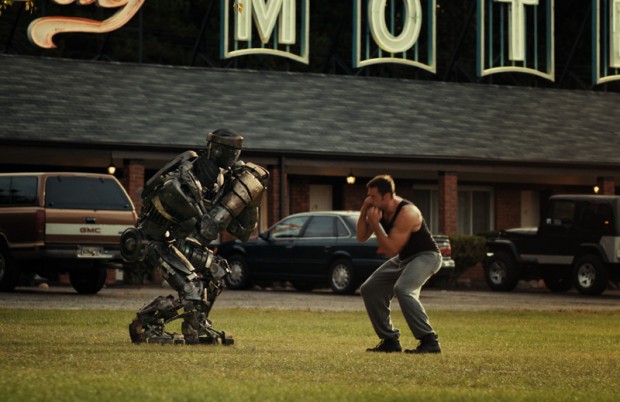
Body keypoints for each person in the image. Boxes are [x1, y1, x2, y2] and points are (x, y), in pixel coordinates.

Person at [121, 128, 269, 344]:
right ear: (214, 148)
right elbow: (207, 228)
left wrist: (251, 196)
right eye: (229, 151)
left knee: (218, 272)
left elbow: (244, 231)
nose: (233, 157)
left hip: (178, 240)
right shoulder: (187, 173)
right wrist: (231, 201)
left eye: (236, 152)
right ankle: (145, 323)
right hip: (154, 239)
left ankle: (195, 325)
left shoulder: (221, 180)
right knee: (191, 286)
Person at [356, 175, 442, 354]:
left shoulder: (407, 213)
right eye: (368, 196)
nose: (369, 199)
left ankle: (429, 340)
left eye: (372, 196)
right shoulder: (377, 209)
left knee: (403, 289)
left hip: (427, 256)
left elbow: (390, 249)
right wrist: (364, 210)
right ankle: (390, 341)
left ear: (387, 196)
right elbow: (361, 237)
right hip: (404, 259)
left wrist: (375, 224)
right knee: (370, 289)